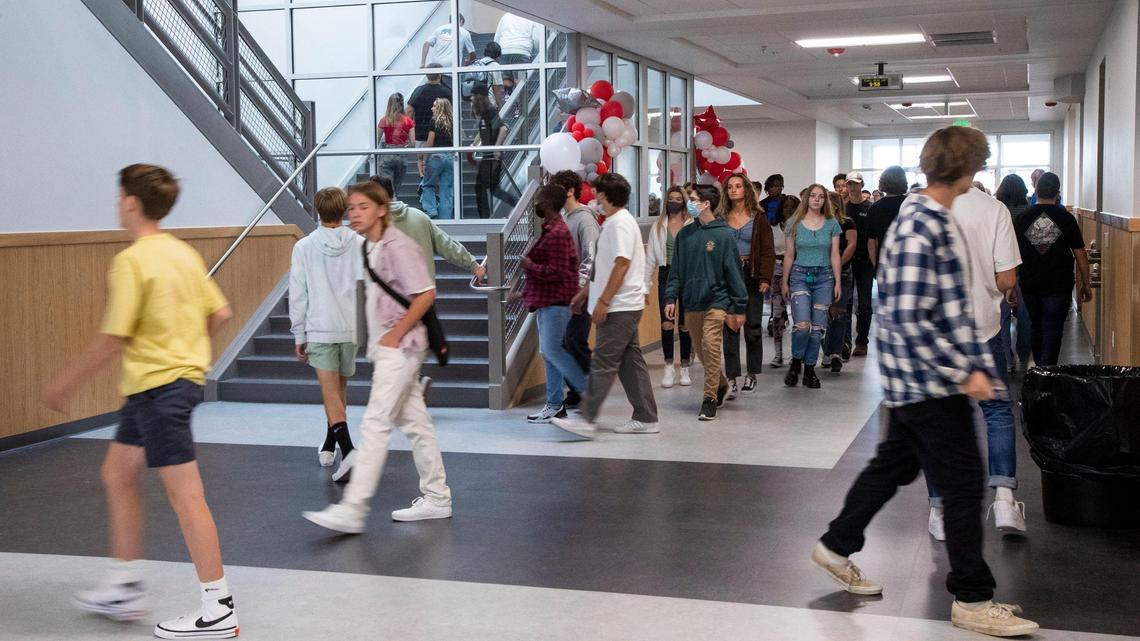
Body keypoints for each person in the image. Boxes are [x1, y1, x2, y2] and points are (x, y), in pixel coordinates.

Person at [810, 126, 1039, 638]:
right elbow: (912, 317)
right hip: (929, 383)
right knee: (961, 485)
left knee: (890, 468)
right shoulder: (922, 225)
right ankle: (973, 599)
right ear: (965, 168)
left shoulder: (929, 217)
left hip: (918, 381)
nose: (978, 174)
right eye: (977, 165)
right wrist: (966, 373)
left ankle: (835, 545)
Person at [45, 164, 240, 639]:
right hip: (157, 386)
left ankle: (219, 608)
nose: (117, 205)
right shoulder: (182, 253)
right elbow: (221, 312)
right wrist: (187, 355)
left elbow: (114, 337)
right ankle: (125, 584)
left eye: (118, 198)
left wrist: (65, 384)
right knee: (117, 472)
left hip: (159, 389)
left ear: (131, 202)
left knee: (185, 496)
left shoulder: (133, 261)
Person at [303, 181, 452, 534]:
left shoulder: (397, 246)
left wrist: (395, 334)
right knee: (417, 426)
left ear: (381, 209)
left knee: (375, 424)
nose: (353, 213)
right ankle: (438, 497)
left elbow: (426, 293)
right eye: (351, 207)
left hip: (400, 349)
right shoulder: (370, 247)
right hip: (388, 350)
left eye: (362, 207)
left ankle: (353, 509)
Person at [926, 183, 1024, 542]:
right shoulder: (994, 209)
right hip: (983, 329)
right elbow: (1008, 278)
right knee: (996, 412)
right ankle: (1004, 500)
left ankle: (940, 510)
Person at [551, 173, 659, 438]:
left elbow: (622, 263)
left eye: (597, 192)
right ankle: (646, 417)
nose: (594, 197)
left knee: (603, 361)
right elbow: (605, 266)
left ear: (605, 195)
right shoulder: (614, 222)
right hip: (623, 303)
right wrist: (585, 292)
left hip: (619, 306)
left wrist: (603, 300)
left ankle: (587, 418)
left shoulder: (620, 223)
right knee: (629, 362)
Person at [289, 187, 361, 482]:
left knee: (330, 394)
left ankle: (350, 450)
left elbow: (298, 293)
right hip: (350, 327)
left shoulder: (304, 247)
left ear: (317, 210)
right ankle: (330, 444)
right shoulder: (359, 243)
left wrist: (298, 333)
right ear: (344, 210)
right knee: (338, 392)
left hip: (319, 327)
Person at [664, 184, 748, 420]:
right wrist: (670, 297)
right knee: (702, 352)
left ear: (705, 204)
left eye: (691, 199)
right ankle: (720, 384)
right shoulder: (685, 235)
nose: (687, 202)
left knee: (711, 346)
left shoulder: (724, 235)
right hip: (692, 302)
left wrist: (738, 306)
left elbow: (734, 272)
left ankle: (709, 398)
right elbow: (676, 271)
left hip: (717, 301)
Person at [521, 184, 586, 423]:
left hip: (557, 301)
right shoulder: (551, 229)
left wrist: (530, 267)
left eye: (539, 199)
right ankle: (555, 403)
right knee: (549, 352)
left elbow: (556, 272)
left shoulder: (558, 232)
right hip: (549, 301)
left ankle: (586, 391)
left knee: (553, 350)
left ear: (547, 202)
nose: (537, 203)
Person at [1014, 172, 1092, 366]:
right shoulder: (1066, 218)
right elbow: (1080, 253)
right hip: (1059, 284)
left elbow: (1012, 253)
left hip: (1029, 283)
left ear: (1036, 190)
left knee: (1036, 326)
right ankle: (1047, 374)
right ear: (1057, 193)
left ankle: (1040, 370)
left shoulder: (1023, 218)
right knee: (1053, 329)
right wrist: (1086, 282)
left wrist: (1011, 285)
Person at [718, 173, 775, 396]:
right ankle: (732, 376)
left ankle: (752, 373)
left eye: (738, 186)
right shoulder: (721, 217)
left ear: (746, 190)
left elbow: (768, 251)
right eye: (730, 187)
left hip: (751, 274)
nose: (733, 190)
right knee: (730, 326)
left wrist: (765, 278)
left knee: (752, 327)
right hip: (728, 276)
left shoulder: (759, 218)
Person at [781, 184, 841, 389]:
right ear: (806, 198)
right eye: (813, 196)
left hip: (824, 277)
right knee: (802, 325)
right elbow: (789, 255)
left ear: (825, 200)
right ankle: (796, 361)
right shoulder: (793, 223)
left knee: (817, 329)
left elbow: (835, 254)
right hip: (799, 275)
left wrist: (838, 281)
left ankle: (809, 369)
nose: (817, 200)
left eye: (821, 197)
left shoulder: (832, 224)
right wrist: (784, 281)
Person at [549, 170, 600, 387]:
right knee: (565, 342)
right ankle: (577, 391)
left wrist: (579, 289)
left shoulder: (585, 220)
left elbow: (591, 257)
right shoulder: (563, 218)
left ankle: (591, 389)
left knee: (575, 340)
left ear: (570, 191)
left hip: (582, 293)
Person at [645, 184, 694, 388]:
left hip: (688, 275)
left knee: (685, 323)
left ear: (684, 201)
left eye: (678, 198)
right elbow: (649, 260)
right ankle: (667, 366)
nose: (674, 202)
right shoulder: (658, 225)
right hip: (666, 273)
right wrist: (645, 286)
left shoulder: (692, 224)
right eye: (671, 198)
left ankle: (684, 367)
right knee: (667, 321)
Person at [995, 174, 1032, 370]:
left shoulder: (996, 211)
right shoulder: (1028, 211)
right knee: (1025, 316)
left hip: (1000, 268)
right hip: (1024, 269)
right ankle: (1024, 354)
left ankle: (1007, 360)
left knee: (1002, 317)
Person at [821, 194, 857, 374]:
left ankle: (835, 353)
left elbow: (851, 244)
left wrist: (838, 263)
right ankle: (826, 351)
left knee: (839, 312)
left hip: (842, 272)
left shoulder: (847, 222)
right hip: (821, 271)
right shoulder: (819, 222)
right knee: (823, 312)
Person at [471, 86, 519, 219]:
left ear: (479, 97)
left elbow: (503, 129)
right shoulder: (484, 114)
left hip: (491, 156)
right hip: (488, 155)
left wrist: (496, 148)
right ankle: (517, 204)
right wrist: (476, 142)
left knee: (481, 187)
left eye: (473, 96)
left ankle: (484, 219)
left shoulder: (490, 112)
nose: (471, 98)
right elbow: (484, 132)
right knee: (493, 189)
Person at [845, 172, 874, 358]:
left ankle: (862, 341)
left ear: (862, 184)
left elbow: (873, 236)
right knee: (845, 302)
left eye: (855, 184)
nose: (852, 187)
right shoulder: (843, 208)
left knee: (864, 304)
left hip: (865, 261)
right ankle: (845, 340)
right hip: (847, 260)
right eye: (850, 184)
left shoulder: (870, 208)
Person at [768, 194, 799, 367]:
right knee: (778, 315)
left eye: (792, 206)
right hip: (777, 271)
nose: (788, 209)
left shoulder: (802, 227)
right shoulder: (773, 228)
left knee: (798, 315)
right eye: (786, 206)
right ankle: (778, 354)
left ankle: (796, 355)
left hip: (798, 271)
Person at [418, 97, 454, 219]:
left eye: (434, 106)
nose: (431, 108)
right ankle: (446, 218)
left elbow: (430, 142)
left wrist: (424, 160)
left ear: (439, 108)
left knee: (428, 184)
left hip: (436, 156)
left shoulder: (434, 121)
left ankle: (431, 209)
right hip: (450, 156)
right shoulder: (453, 122)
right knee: (447, 190)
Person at [866, 166, 908, 269]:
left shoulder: (875, 208)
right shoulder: (910, 204)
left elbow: (871, 242)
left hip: (884, 261)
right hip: (907, 259)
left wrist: (876, 266)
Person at [377, 93, 414, 203]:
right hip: (401, 155)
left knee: (387, 189)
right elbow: (413, 143)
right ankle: (394, 206)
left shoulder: (384, 120)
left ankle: (390, 208)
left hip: (388, 153)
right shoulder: (408, 121)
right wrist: (405, 145)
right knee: (396, 189)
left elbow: (376, 140)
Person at [407, 65, 451, 147]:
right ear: (440, 75)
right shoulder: (446, 92)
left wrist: (408, 134)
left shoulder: (418, 91)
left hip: (421, 135)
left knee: (422, 159)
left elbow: (409, 111)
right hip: (442, 136)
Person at [463, 42, 506, 107]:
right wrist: (500, 105)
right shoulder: (495, 65)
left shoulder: (477, 63)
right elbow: (496, 88)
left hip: (475, 102)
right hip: (489, 102)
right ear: (498, 53)